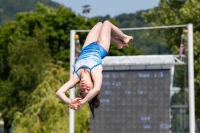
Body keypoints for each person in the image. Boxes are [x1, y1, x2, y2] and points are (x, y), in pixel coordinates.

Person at [56, 20, 133, 117]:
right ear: (92, 83)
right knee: (107, 24)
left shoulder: (75, 77)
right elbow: (96, 89)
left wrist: (69, 101)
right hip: (101, 47)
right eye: (88, 89)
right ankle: (124, 37)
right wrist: (82, 102)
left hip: (87, 47)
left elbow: (59, 92)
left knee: (99, 25)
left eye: (82, 91)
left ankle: (118, 43)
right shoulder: (96, 73)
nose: (84, 88)